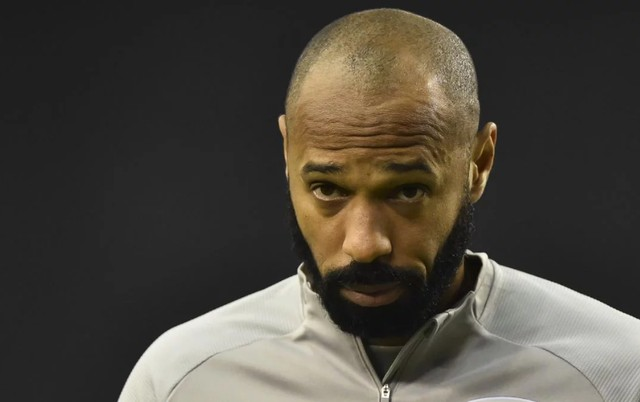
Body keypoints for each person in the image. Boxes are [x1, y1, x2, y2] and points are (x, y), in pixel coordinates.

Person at [118, 7, 640, 402]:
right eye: (328, 189)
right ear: (286, 154)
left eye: (407, 190)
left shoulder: (618, 373)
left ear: (478, 164)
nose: (365, 244)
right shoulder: (180, 379)